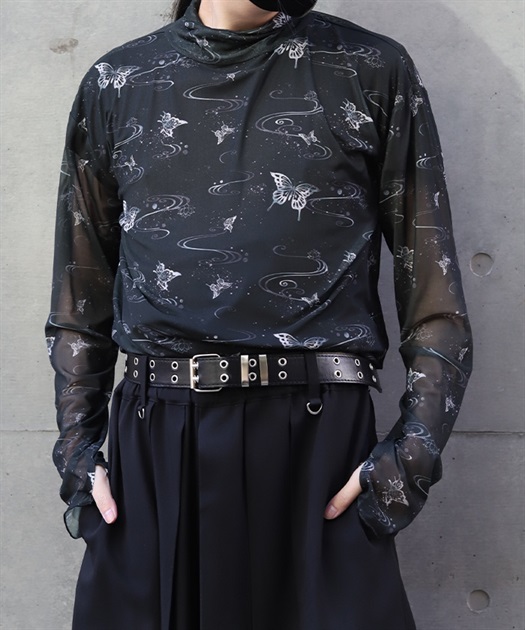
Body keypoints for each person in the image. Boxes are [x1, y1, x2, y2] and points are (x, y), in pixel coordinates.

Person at [46, 0, 473, 628]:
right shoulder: (119, 82)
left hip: (320, 451)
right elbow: (79, 298)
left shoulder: (370, 68)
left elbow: (435, 298)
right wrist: (79, 459)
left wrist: (408, 462)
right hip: (158, 448)